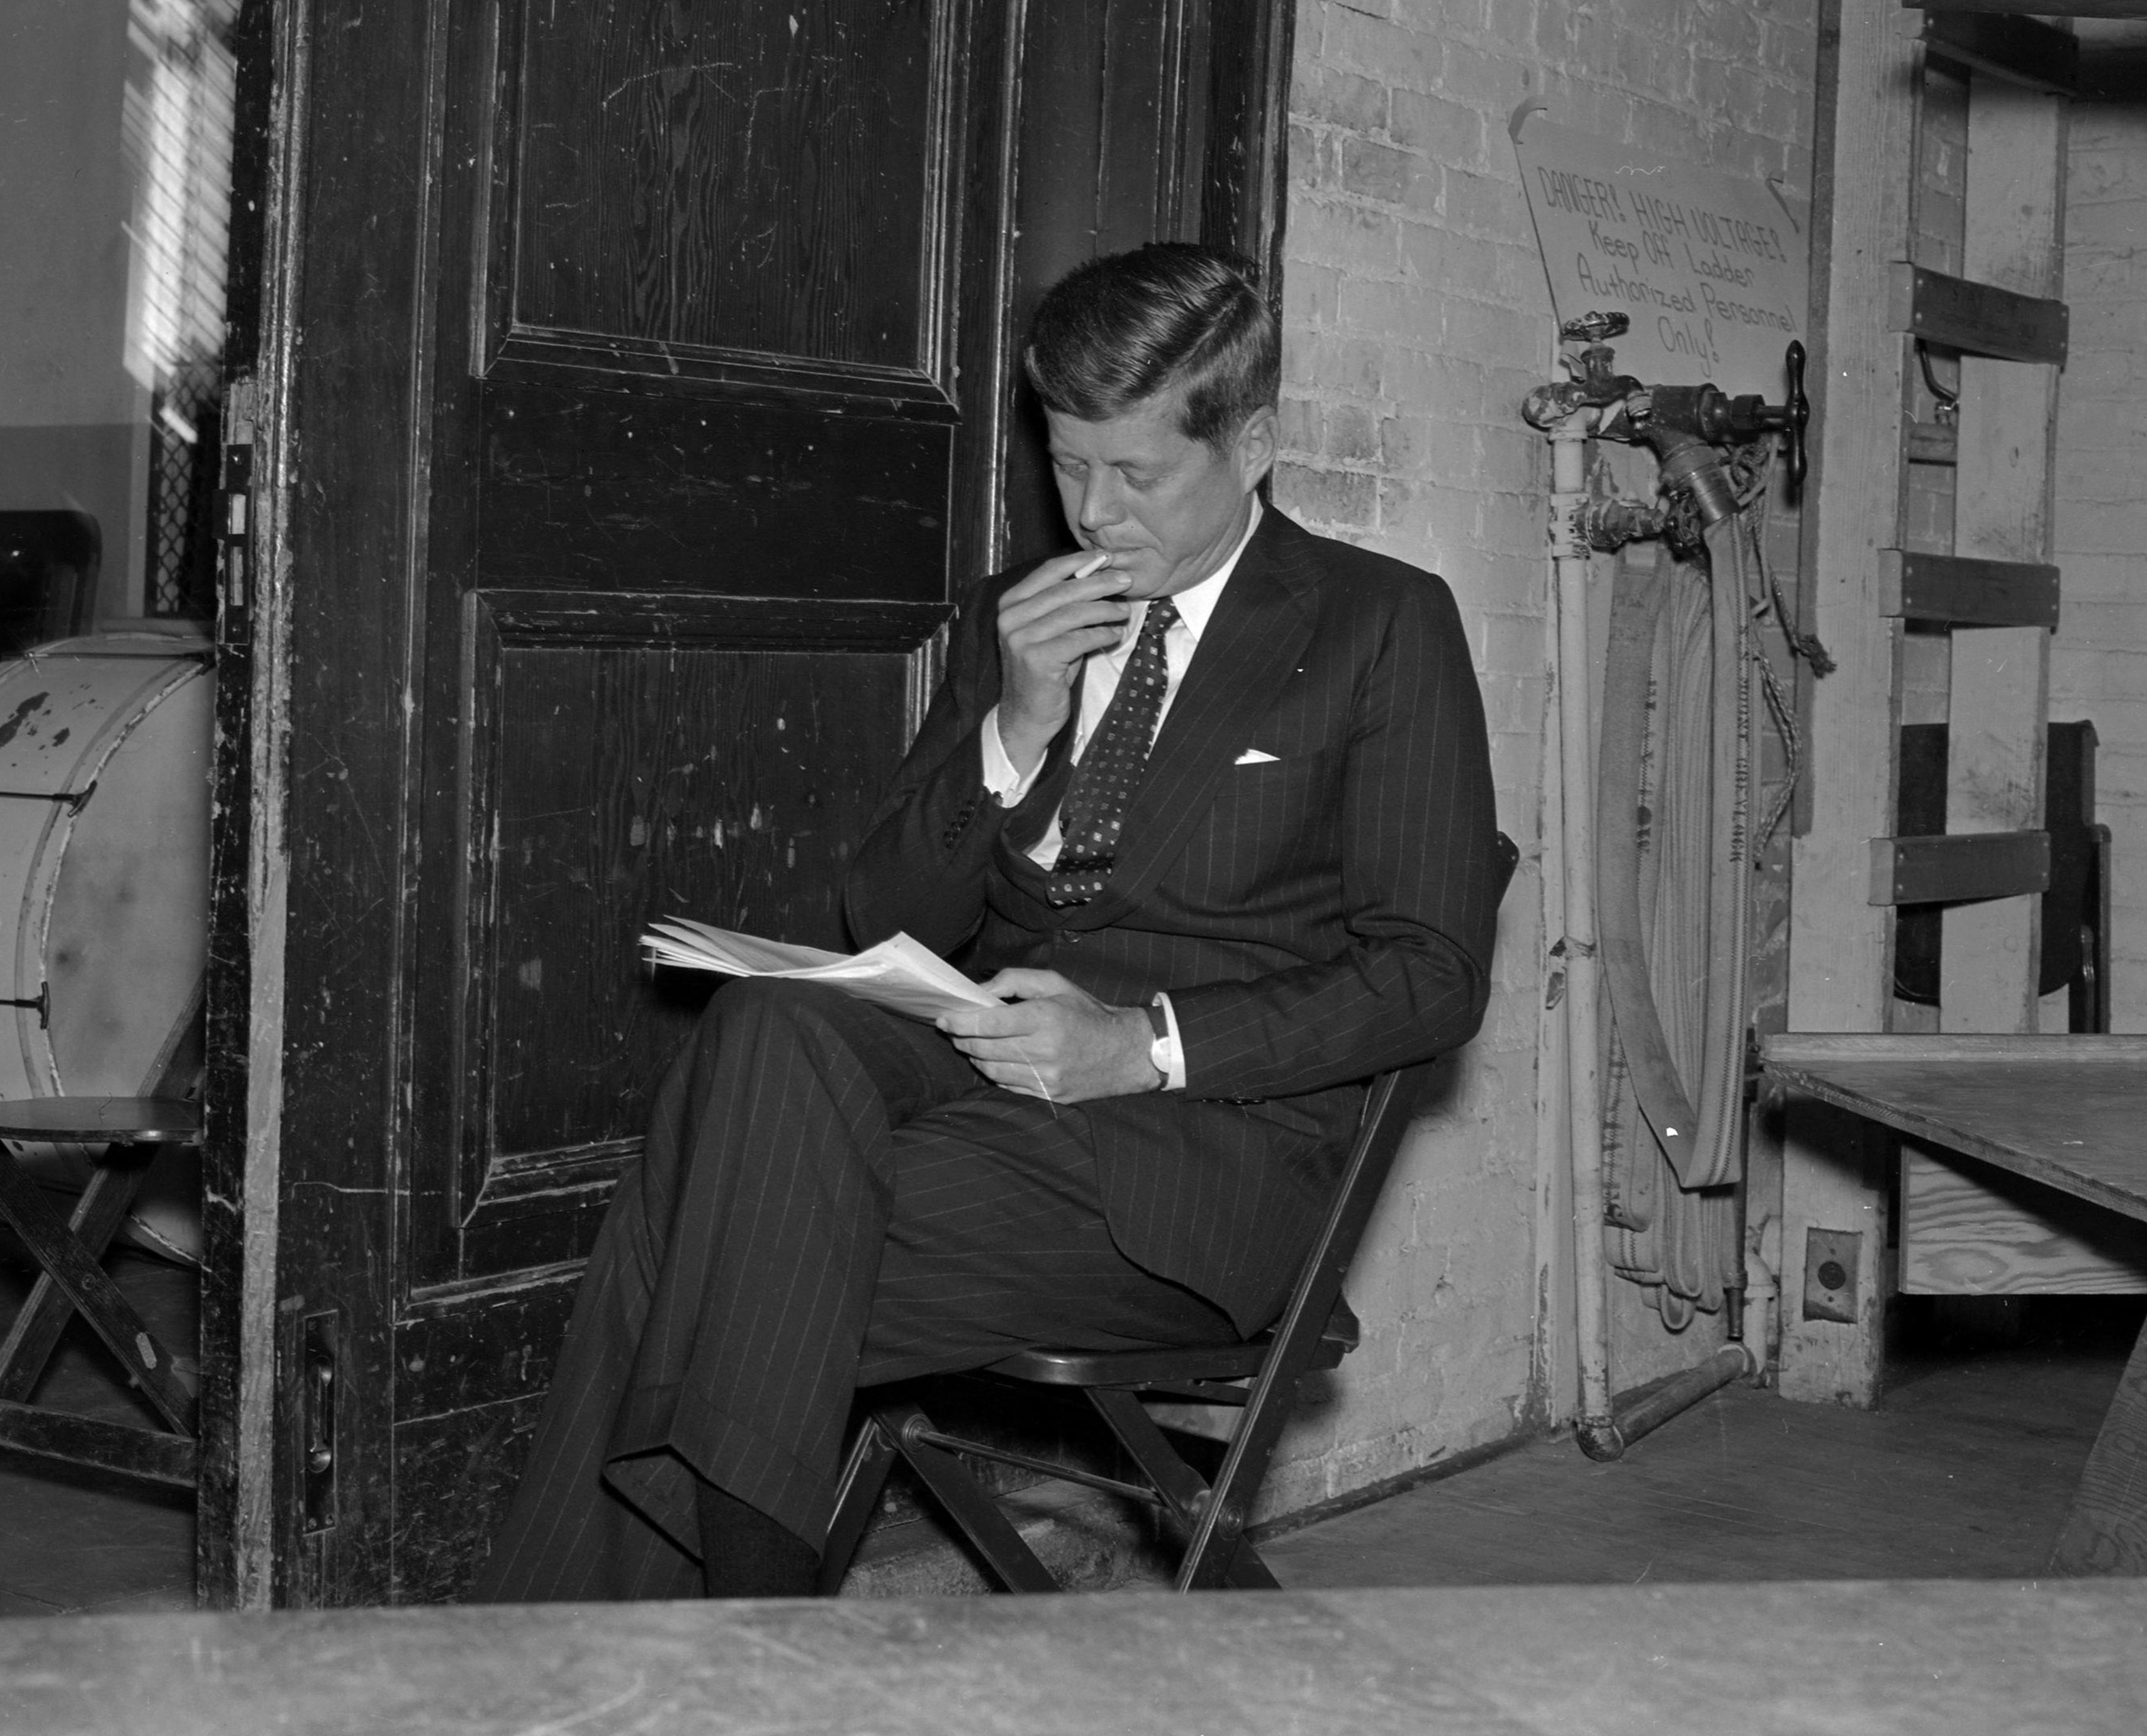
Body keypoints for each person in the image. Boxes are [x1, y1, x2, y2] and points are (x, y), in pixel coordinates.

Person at [475, 243, 1503, 1602]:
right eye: (1069, 464)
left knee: (716, 1235)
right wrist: (1015, 725)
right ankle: (741, 1667)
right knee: (771, 1022)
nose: (1094, 512)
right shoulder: (1019, 620)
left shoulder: (1381, 626)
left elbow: (1432, 977)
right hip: (985, 1087)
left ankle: (664, 1667)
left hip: (1199, 1162)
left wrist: (1145, 1044)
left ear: (1251, 444)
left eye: (1137, 474)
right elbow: (883, 911)